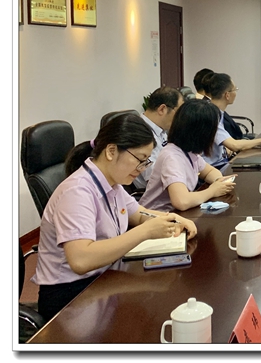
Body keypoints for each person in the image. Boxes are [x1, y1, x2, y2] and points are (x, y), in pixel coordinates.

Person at [32, 114, 197, 320]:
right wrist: (145, 232)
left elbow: (139, 214)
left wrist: (172, 219)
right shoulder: (77, 191)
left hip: (103, 277)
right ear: (111, 151)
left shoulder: (112, 184)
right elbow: (81, 260)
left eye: (146, 162)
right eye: (140, 159)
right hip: (70, 297)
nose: (141, 169)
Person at [140, 99, 236, 212]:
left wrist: (219, 181)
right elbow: (181, 201)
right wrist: (212, 191)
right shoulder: (172, 157)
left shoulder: (188, 152)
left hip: (176, 215)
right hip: (155, 217)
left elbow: (209, 172)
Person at [203, 73, 261, 168]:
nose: (236, 93)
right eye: (235, 90)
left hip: (221, 161)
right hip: (214, 167)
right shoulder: (210, 115)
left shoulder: (215, 111)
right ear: (227, 95)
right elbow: (234, 145)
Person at [132, 86, 184, 190]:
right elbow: (156, 178)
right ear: (162, 109)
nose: (180, 118)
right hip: (159, 193)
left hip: (175, 184)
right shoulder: (139, 133)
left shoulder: (162, 130)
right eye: (179, 112)